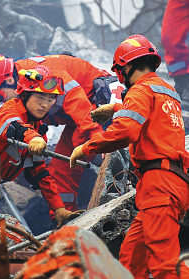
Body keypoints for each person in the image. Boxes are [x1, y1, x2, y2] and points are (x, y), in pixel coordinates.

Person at [70, 34, 189, 278]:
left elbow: (124, 132)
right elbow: (149, 112)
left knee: (164, 266)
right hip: (169, 182)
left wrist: (85, 148)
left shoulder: (139, 91)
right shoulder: (167, 92)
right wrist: (115, 108)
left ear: (125, 67)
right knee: (130, 261)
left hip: (159, 184)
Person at [0, 53, 125, 212]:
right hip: (79, 116)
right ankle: (65, 219)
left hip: (99, 106)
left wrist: (100, 140)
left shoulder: (47, 76)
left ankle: (125, 196)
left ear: (10, 81)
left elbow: (82, 110)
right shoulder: (16, 88)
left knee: (95, 153)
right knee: (59, 171)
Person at [0, 65, 80, 228]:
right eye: (40, 97)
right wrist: (32, 138)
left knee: (16, 233)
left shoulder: (39, 130)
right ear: (26, 94)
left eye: (50, 100)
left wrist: (58, 208)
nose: (44, 104)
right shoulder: (9, 109)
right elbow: (13, 125)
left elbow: (39, 172)